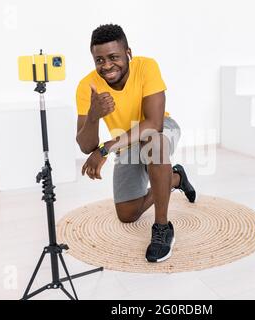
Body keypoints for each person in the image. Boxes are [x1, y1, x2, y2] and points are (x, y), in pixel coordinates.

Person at [76, 24, 196, 263]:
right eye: (99, 60)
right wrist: (93, 115)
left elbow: (154, 123)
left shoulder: (147, 66)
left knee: (154, 144)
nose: (107, 66)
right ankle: (175, 178)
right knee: (127, 214)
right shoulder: (86, 86)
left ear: (128, 53)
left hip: (158, 131)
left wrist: (106, 147)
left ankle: (162, 228)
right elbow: (84, 145)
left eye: (113, 57)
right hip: (126, 143)